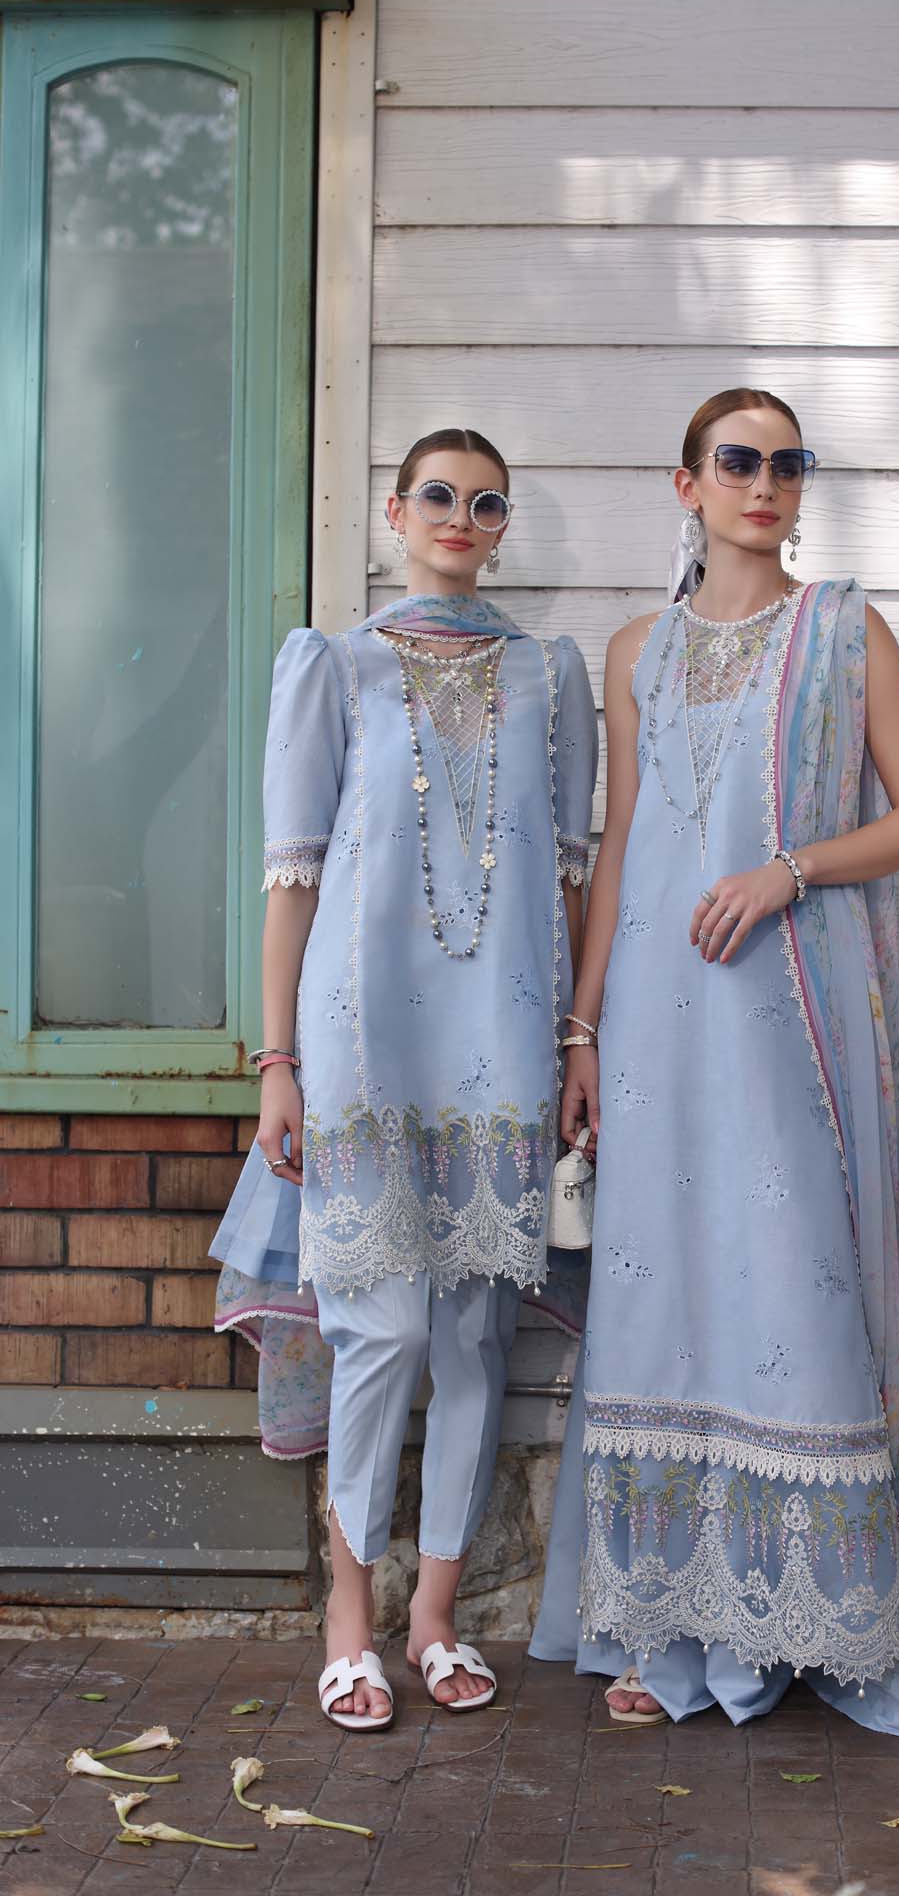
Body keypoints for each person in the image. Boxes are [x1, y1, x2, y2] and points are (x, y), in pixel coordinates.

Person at [530, 389, 899, 1735]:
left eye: (788, 463)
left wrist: (791, 870)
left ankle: (814, 1622)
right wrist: (583, 1030)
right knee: (666, 1293)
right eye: (738, 461)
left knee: (789, 1282)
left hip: (791, 1014)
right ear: (688, 484)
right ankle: (668, 1626)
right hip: (656, 1026)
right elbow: (621, 847)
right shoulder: (637, 652)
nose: (764, 483)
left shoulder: (844, 630)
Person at [210, 428, 597, 1727]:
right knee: (378, 1333)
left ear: (501, 528)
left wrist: (577, 1043)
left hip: (504, 1043)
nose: (459, 518)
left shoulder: (549, 677)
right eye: (437, 495)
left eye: (486, 503)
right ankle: (350, 1616)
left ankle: (434, 1618)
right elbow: (293, 878)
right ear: (394, 512)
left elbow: (568, 879)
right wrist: (278, 1062)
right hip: (361, 1039)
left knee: (475, 1338)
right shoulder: (332, 666)